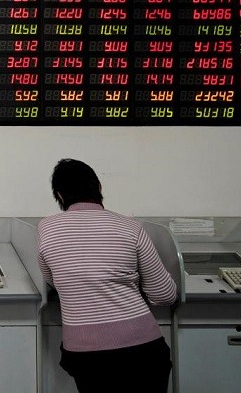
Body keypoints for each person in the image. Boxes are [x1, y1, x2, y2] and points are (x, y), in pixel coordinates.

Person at [36, 158, 177, 393]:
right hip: (142, 349)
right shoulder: (130, 227)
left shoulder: (46, 229)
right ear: (100, 187)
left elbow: (54, 280)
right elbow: (164, 294)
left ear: (59, 196)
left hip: (85, 354)